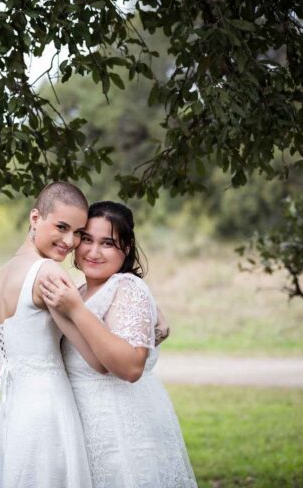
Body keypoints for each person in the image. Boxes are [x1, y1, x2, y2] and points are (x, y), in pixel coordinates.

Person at [41, 201, 197, 487]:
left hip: (121, 431)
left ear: (126, 248)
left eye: (108, 243)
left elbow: (130, 366)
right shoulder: (78, 291)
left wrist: (76, 310)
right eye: (86, 239)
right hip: (83, 432)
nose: (93, 251)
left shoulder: (127, 287)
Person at [0, 182, 93, 488]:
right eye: (61, 227)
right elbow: (90, 352)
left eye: (78, 233)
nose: (70, 241)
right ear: (35, 218)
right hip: (48, 407)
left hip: (14, 409)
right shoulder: (49, 273)